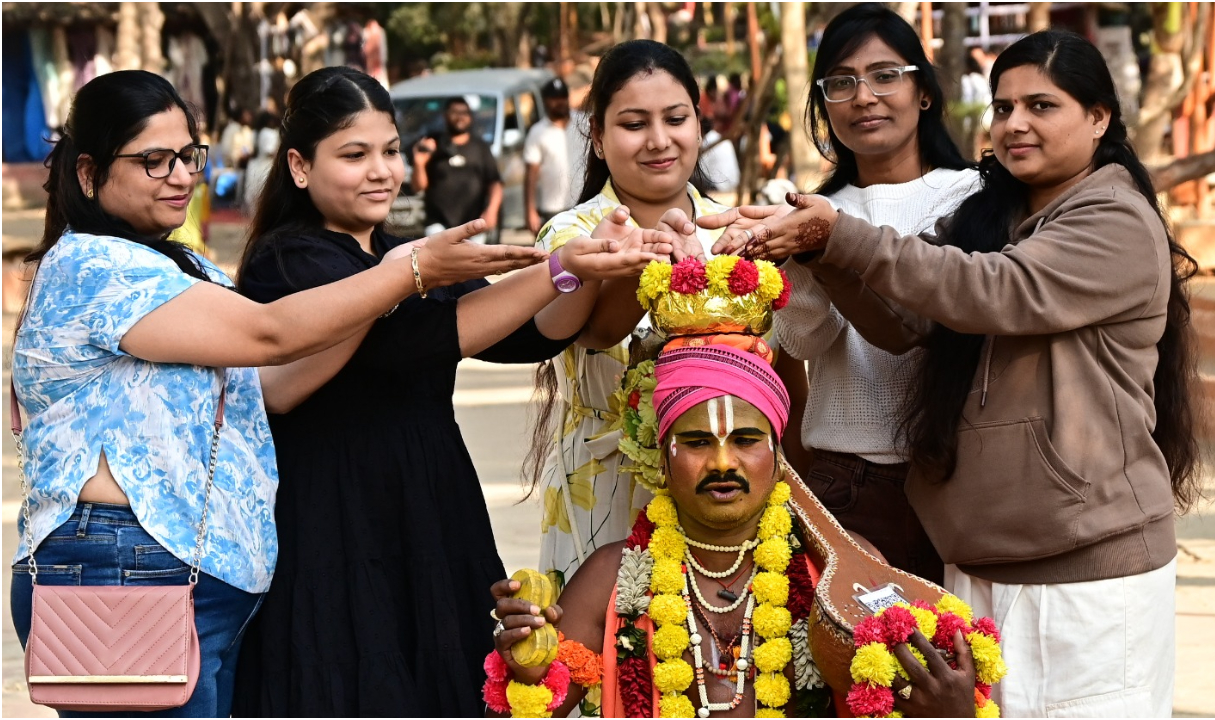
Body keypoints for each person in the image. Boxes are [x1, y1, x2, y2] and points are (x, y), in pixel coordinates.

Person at [9, 69, 547, 718]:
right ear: (89, 173)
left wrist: (555, 272)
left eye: (188, 156)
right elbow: (270, 335)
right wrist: (407, 273)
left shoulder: (182, 266)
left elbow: (277, 385)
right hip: (129, 565)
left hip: (195, 573)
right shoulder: (93, 266)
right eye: (153, 161)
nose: (180, 176)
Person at [706, 30, 1203, 717]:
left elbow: (992, 290)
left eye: (1042, 105)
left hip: (1086, 568)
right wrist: (818, 252)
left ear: (1099, 117)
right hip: (977, 560)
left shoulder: (1113, 217)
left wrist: (840, 234)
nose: (1016, 123)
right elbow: (901, 326)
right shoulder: (994, 214)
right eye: (1003, 107)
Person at [229, 66, 671, 718]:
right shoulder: (290, 260)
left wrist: (587, 267)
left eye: (390, 151)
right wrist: (556, 267)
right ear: (299, 166)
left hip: (432, 508)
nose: (381, 171)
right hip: (336, 518)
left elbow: (527, 335)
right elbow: (417, 338)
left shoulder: (405, 255)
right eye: (354, 155)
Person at [490, 340, 982, 718]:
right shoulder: (609, 578)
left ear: (778, 454)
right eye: (697, 442)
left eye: (746, 440)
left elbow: (906, 697)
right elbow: (536, 707)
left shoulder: (844, 568)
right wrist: (526, 667)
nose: (723, 463)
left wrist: (952, 713)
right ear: (662, 459)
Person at [772, 3, 979, 586]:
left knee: (967, 643)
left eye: (885, 76)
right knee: (849, 644)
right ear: (824, 105)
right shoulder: (816, 211)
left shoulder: (973, 197)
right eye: (841, 83)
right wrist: (799, 259)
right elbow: (805, 341)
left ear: (924, 92)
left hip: (961, 480)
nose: (864, 97)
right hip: (849, 483)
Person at [528, 39, 729, 589]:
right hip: (603, 487)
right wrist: (643, 261)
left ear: (699, 123)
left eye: (676, 119)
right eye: (634, 124)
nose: (659, 140)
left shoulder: (733, 233)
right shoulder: (570, 237)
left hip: (725, 485)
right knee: (599, 637)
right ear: (596, 135)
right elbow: (592, 333)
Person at [410, 96, 503, 241]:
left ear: (470, 117)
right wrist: (419, 163)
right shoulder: (433, 143)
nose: (460, 117)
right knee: (441, 254)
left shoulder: (480, 147)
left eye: (464, 113)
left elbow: (495, 183)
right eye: (454, 112)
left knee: (474, 255)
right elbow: (418, 187)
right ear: (445, 115)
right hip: (438, 224)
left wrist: (491, 211)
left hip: (474, 224)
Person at [524, 77, 585, 232]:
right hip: (553, 208)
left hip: (584, 202)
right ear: (545, 101)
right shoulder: (537, 132)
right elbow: (531, 174)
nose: (560, 102)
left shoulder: (584, 123)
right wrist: (530, 211)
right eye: (554, 99)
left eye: (563, 97)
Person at [699, 116, 740, 193]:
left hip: (719, 186)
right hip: (733, 184)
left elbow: (700, 168)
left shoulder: (708, 140)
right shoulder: (719, 138)